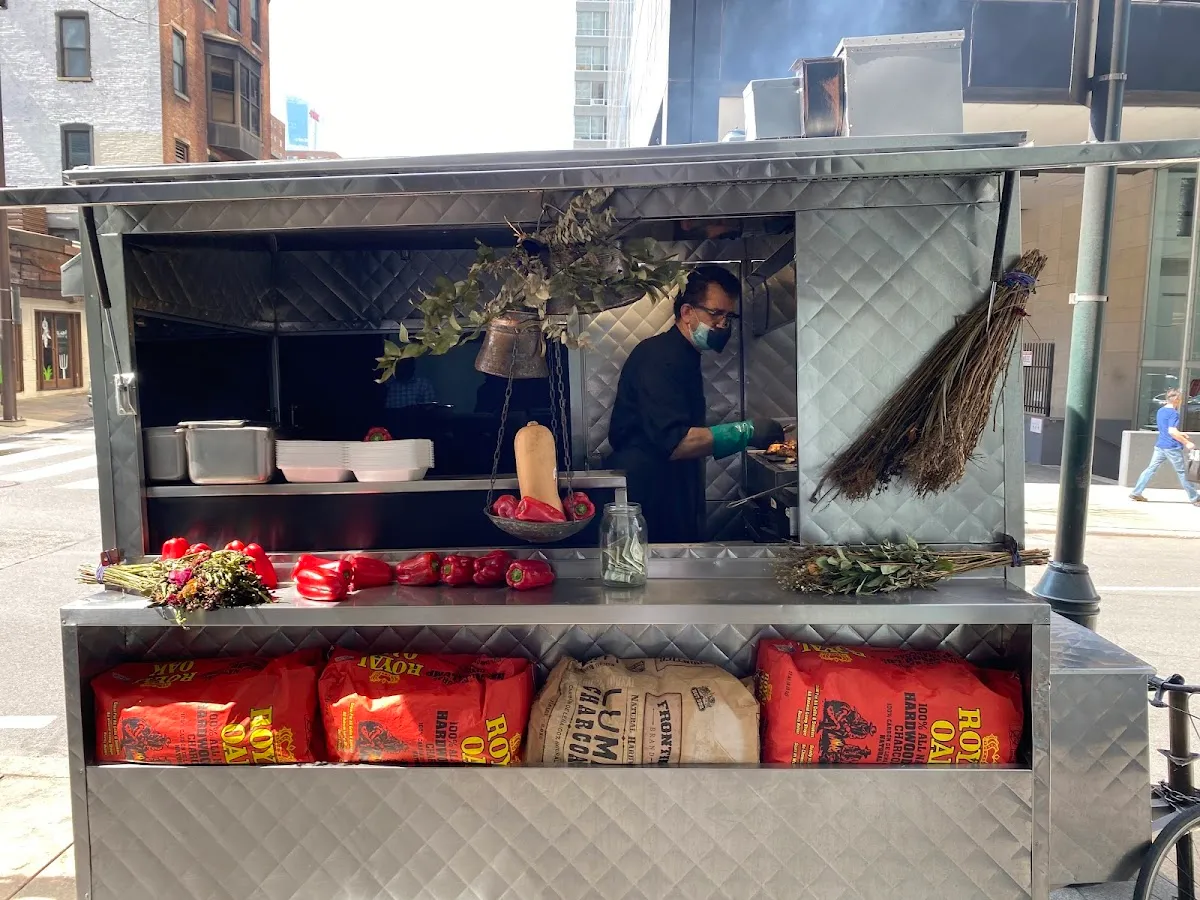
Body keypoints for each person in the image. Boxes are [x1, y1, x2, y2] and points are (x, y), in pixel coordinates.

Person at [606, 264, 784, 543]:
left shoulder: (684, 356)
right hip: (649, 499)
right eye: (716, 314)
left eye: (729, 316)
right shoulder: (658, 358)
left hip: (672, 490)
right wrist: (746, 432)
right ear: (687, 312)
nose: (723, 324)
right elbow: (676, 442)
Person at [1130, 388, 1199, 506]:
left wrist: (1180, 433)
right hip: (1171, 447)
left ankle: (1137, 491)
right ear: (1177, 400)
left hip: (1160, 445)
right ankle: (1195, 498)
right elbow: (1171, 431)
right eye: (1180, 399)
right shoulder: (1173, 413)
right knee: (1183, 472)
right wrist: (1186, 442)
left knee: (1150, 469)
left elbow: (1166, 429)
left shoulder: (1161, 411)